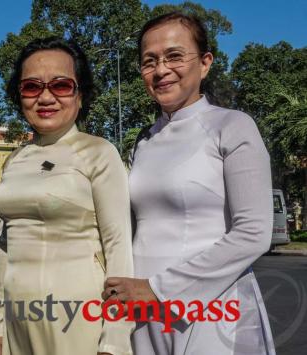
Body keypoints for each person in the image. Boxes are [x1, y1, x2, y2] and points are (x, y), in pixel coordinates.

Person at [102, 12, 275, 355]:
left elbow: (254, 233)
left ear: (206, 62)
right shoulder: (144, 142)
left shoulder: (233, 126)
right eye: (149, 61)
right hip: (143, 312)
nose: (161, 70)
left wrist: (159, 289)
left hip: (213, 308)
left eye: (175, 56)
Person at [0, 37, 133, 355]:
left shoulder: (99, 153)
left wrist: (115, 341)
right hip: (18, 320)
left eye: (61, 85)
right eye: (32, 87)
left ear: (80, 94)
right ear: (18, 95)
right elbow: (6, 249)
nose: (46, 97)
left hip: (77, 318)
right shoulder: (14, 160)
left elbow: (119, 249)